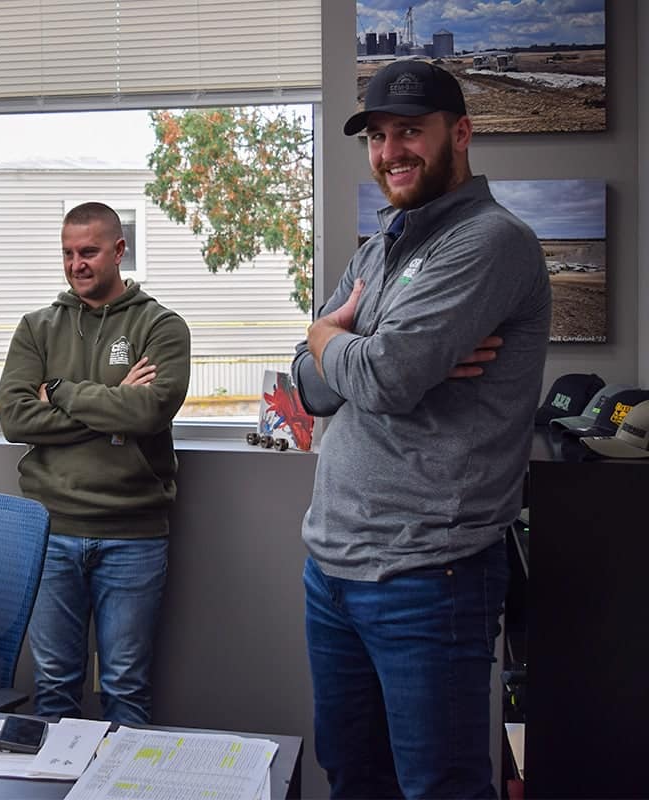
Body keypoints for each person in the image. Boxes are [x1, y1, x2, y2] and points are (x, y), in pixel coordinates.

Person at [292, 61, 551, 797]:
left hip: (427, 575)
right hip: (332, 568)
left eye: (410, 131)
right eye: (377, 136)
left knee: (439, 787)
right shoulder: (379, 247)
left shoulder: (489, 242)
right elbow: (311, 388)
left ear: (460, 134)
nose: (389, 151)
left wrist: (335, 341)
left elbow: (382, 379)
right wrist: (338, 344)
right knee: (353, 778)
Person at [0, 201, 191, 725]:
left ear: (119, 250)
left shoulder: (162, 326)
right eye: (68, 253)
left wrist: (57, 391)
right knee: (54, 684)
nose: (76, 264)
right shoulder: (38, 327)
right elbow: (16, 419)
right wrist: (111, 407)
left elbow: (148, 411)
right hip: (51, 531)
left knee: (125, 685)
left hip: (133, 534)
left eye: (89, 252)